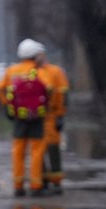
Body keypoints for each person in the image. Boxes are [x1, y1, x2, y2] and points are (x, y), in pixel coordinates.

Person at [0, 38, 55, 197]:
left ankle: (18, 186)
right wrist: (47, 107)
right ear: (35, 55)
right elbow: (49, 89)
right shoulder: (39, 71)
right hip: (37, 117)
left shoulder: (11, 71)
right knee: (36, 151)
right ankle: (36, 186)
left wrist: (8, 106)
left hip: (19, 118)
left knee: (18, 151)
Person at [36, 53, 70, 195]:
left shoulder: (53, 71)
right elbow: (64, 93)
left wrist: (60, 115)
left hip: (46, 117)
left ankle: (52, 182)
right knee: (42, 151)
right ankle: (47, 181)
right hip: (41, 117)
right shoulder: (53, 71)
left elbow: (63, 94)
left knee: (50, 149)